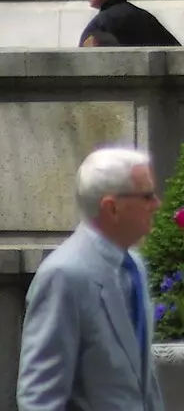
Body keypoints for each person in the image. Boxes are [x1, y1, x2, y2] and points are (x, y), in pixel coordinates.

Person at [17, 146, 166, 411]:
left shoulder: (135, 266)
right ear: (112, 208)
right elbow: (39, 399)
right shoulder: (63, 276)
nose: (157, 205)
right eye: (147, 196)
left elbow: (143, 382)